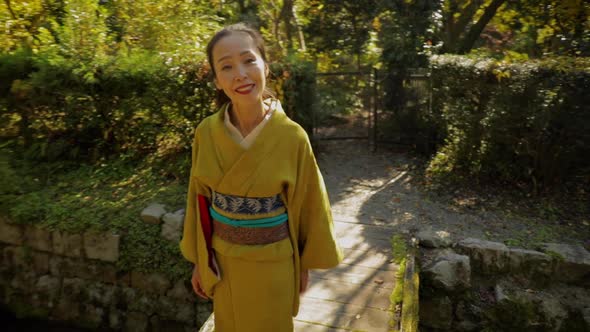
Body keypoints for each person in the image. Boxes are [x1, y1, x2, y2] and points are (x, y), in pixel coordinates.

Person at [180, 22, 342, 332]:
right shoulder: (206, 133)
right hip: (223, 258)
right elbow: (198, 200)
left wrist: (303, 264)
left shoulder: (292, 136)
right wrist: (200, 260)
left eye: (249, 60)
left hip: (274, 261)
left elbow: (311, 204)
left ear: (266, 66)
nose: (240, 73)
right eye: (226, 66)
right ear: (216, 80)